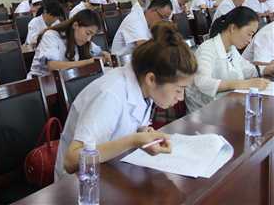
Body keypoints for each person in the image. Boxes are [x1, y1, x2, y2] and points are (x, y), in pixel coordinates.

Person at [54, 23, 197, 178]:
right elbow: (72, 160)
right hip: (79, 183)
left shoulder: (144, 86)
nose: (181, 97)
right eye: (179, 89)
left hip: (111, 168)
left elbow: (127, 123)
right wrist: (134, 140)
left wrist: (143, 133)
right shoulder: (110, 95)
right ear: (151, 79)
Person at [186, 7, 272, 113]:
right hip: (204, 112)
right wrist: (244, 84)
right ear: (233, 28)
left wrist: (267, 69)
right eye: (249, 34)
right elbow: (203, 82)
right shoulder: (207, 49)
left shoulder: (231, 48)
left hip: (226, 106)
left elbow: (246, 69)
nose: (250, 40)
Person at [28, 10, 110, 78]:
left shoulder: (81, 39)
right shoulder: (51, 36)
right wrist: (89, 62)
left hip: (65, 81)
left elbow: (99, 52)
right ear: (75, 25)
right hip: (40, 84)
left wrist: (104, 54)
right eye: (88, 33)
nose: (88, 39)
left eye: (92, 35)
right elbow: (53, 66)